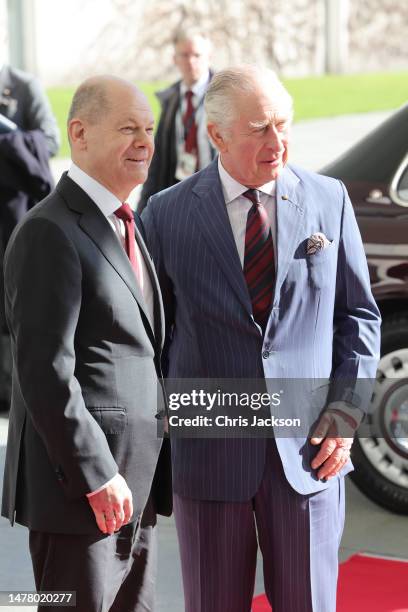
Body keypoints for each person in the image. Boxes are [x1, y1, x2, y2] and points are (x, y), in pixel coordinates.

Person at [142, 65, 381, 612]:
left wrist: (345, 414)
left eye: (283, 124)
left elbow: (359, 318)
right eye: (260, 128)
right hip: (210, 454)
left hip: (311, 452)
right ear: (218, 136)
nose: (278, 142)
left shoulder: (329, 199)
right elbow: (152, 338)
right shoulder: (168, 214)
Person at [1, 75, 171, 612]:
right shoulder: (49, 230)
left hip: (135, 491)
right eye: (128, 129)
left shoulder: (127, 223)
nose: (145, 141)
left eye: (148, 129)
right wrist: (97, 476)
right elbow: (45, 372)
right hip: (84, 496)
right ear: (79, 133)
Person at [0, 63, 60, 413]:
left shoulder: (24, 87)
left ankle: (21, 393)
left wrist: (9, 141)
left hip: (17, 216)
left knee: (19, 302)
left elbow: (51, 140)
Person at [137, 29, 216, 213]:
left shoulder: (226, 95)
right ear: (175, 59)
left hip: (217, 194)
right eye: (184, 55)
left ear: (209, 57)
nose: (191, 61)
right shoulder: (170, 100)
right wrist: (143, 211)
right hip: (181, 194)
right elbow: (158, 161)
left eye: (197, 55)